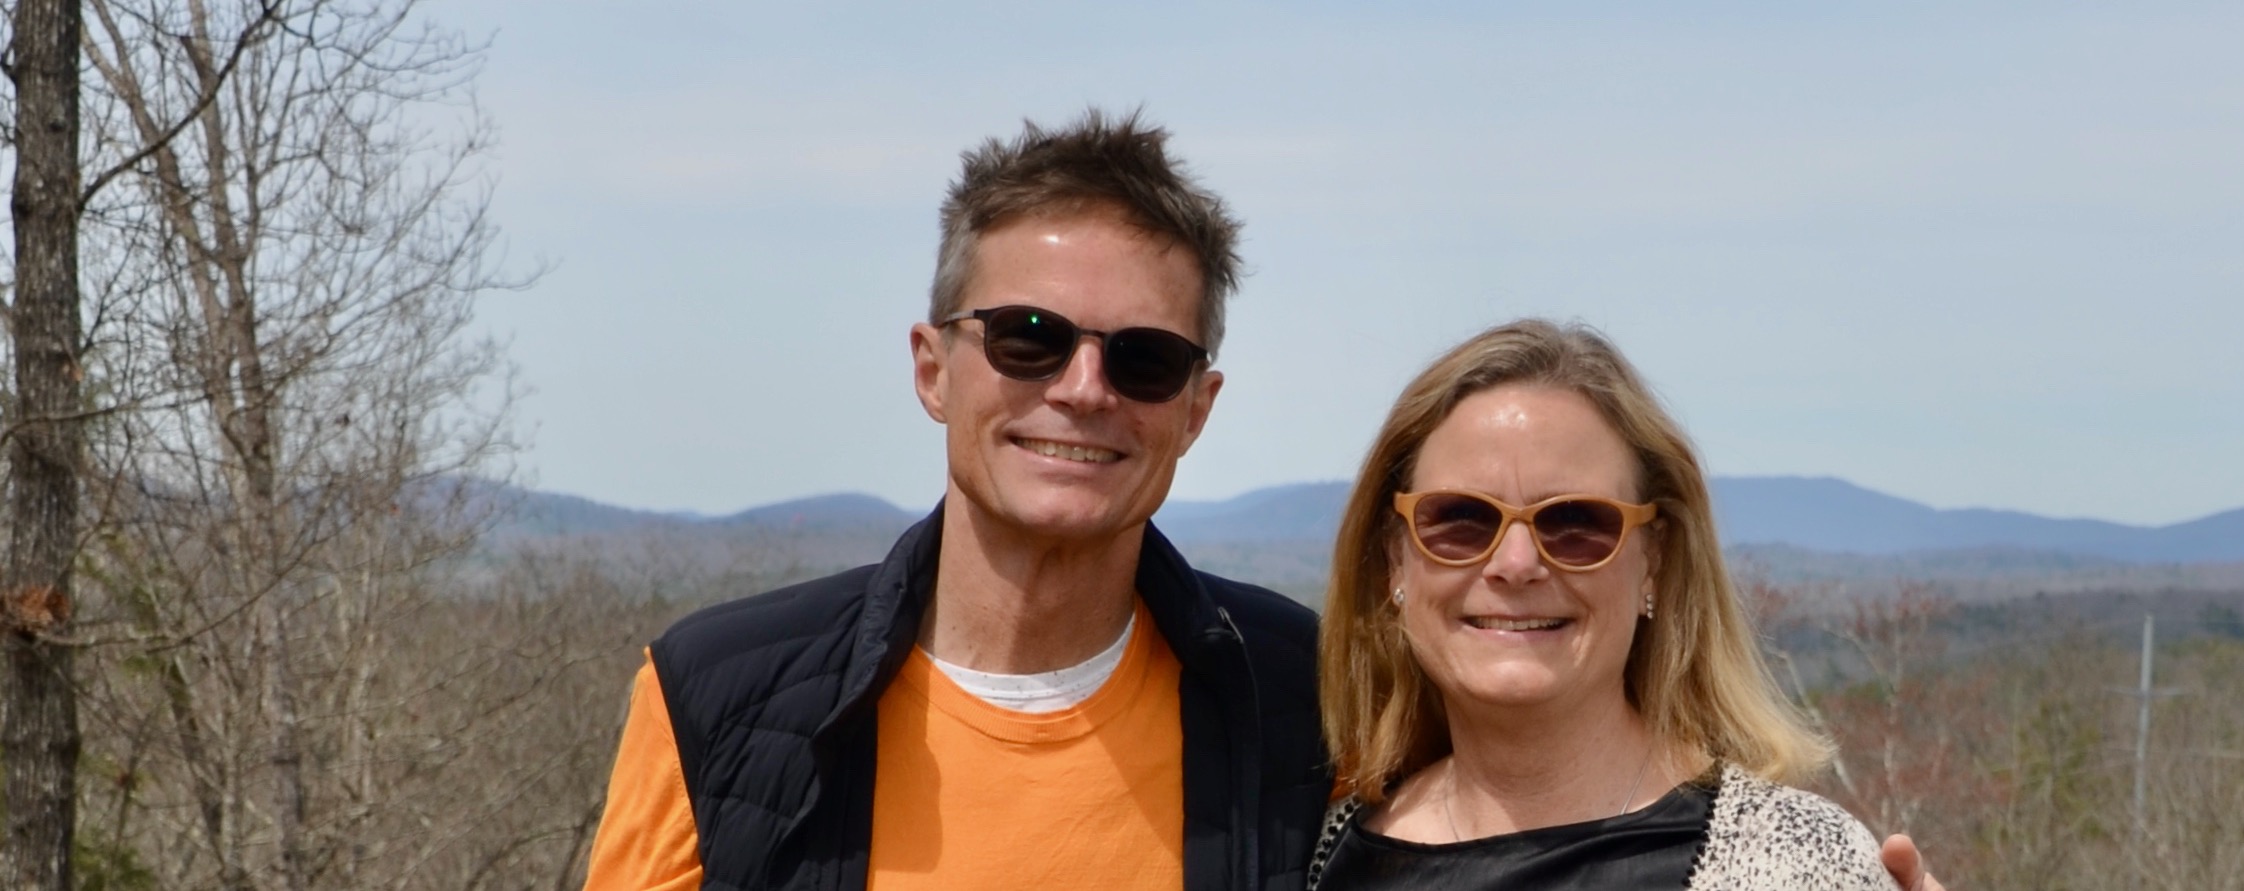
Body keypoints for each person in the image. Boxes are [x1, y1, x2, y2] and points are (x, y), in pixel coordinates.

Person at [579, 110, 1949, 891]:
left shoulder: (1298, 718)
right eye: (1028, 337)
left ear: (1198, 404)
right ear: (933, 364)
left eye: (1146, 356)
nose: (1083, 388)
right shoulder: (722, 697)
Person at [1307, 319, 1894, 890]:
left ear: (1655, 561)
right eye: (1461, 519)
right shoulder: (1322, 854)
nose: (1515, 564)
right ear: (1393, 559)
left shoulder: (1799, 863)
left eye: (1574, 523)